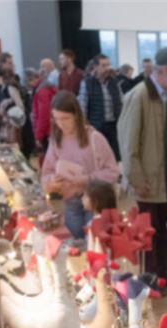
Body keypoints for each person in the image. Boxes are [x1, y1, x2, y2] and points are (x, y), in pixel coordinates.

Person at [118, 47, 167, 291]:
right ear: (166, 70)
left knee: (164, 229)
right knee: (148, 233)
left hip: (166, 177)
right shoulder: (138, 96)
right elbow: (128, 142)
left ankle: (162, 273)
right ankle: (149, 279)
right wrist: (136, 177)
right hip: (147, 180)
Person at [41, 91, 120, 239]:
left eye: (65, 118)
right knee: (76, 247)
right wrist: (52, 181)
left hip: (95, 202)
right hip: (71, 202)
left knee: (95, 245)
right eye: (57, 119)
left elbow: (112, 172)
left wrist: (86, 178)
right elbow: (46, 173)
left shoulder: (95, 138)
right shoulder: (56, 140)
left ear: (77, 116)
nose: (61, 124)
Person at [78, 54, 124, 161]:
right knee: (98, 156)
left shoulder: (114, 82)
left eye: (108, 65)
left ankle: (115, 176)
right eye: (104, 65)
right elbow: (82, 107)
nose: (108, 68)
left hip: (114, 125)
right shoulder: (87, 83)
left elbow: (122, 102)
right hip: (96, 126)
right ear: (96, 67)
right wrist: (85, 126)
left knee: (115, 155)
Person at [31, 63, 58, 156]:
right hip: (50, 130)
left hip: (48, 132)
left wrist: (38, 135)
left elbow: (44, 115)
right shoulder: (45, 88)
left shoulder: (42, 91)